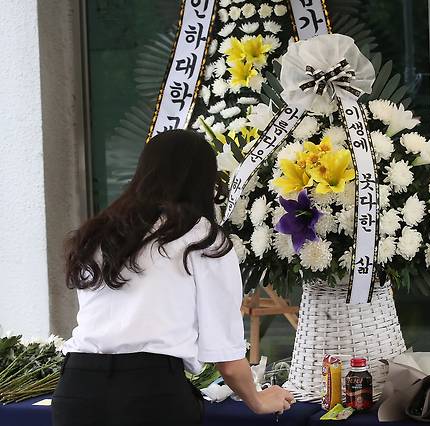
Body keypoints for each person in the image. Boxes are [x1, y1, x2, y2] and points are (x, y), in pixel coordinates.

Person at [53, 129, 294, 426]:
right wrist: (257, 400)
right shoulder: (201, 238)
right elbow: (227, 358)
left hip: (78, 387)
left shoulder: (99, 233)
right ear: (204, 182)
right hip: (150, 393)